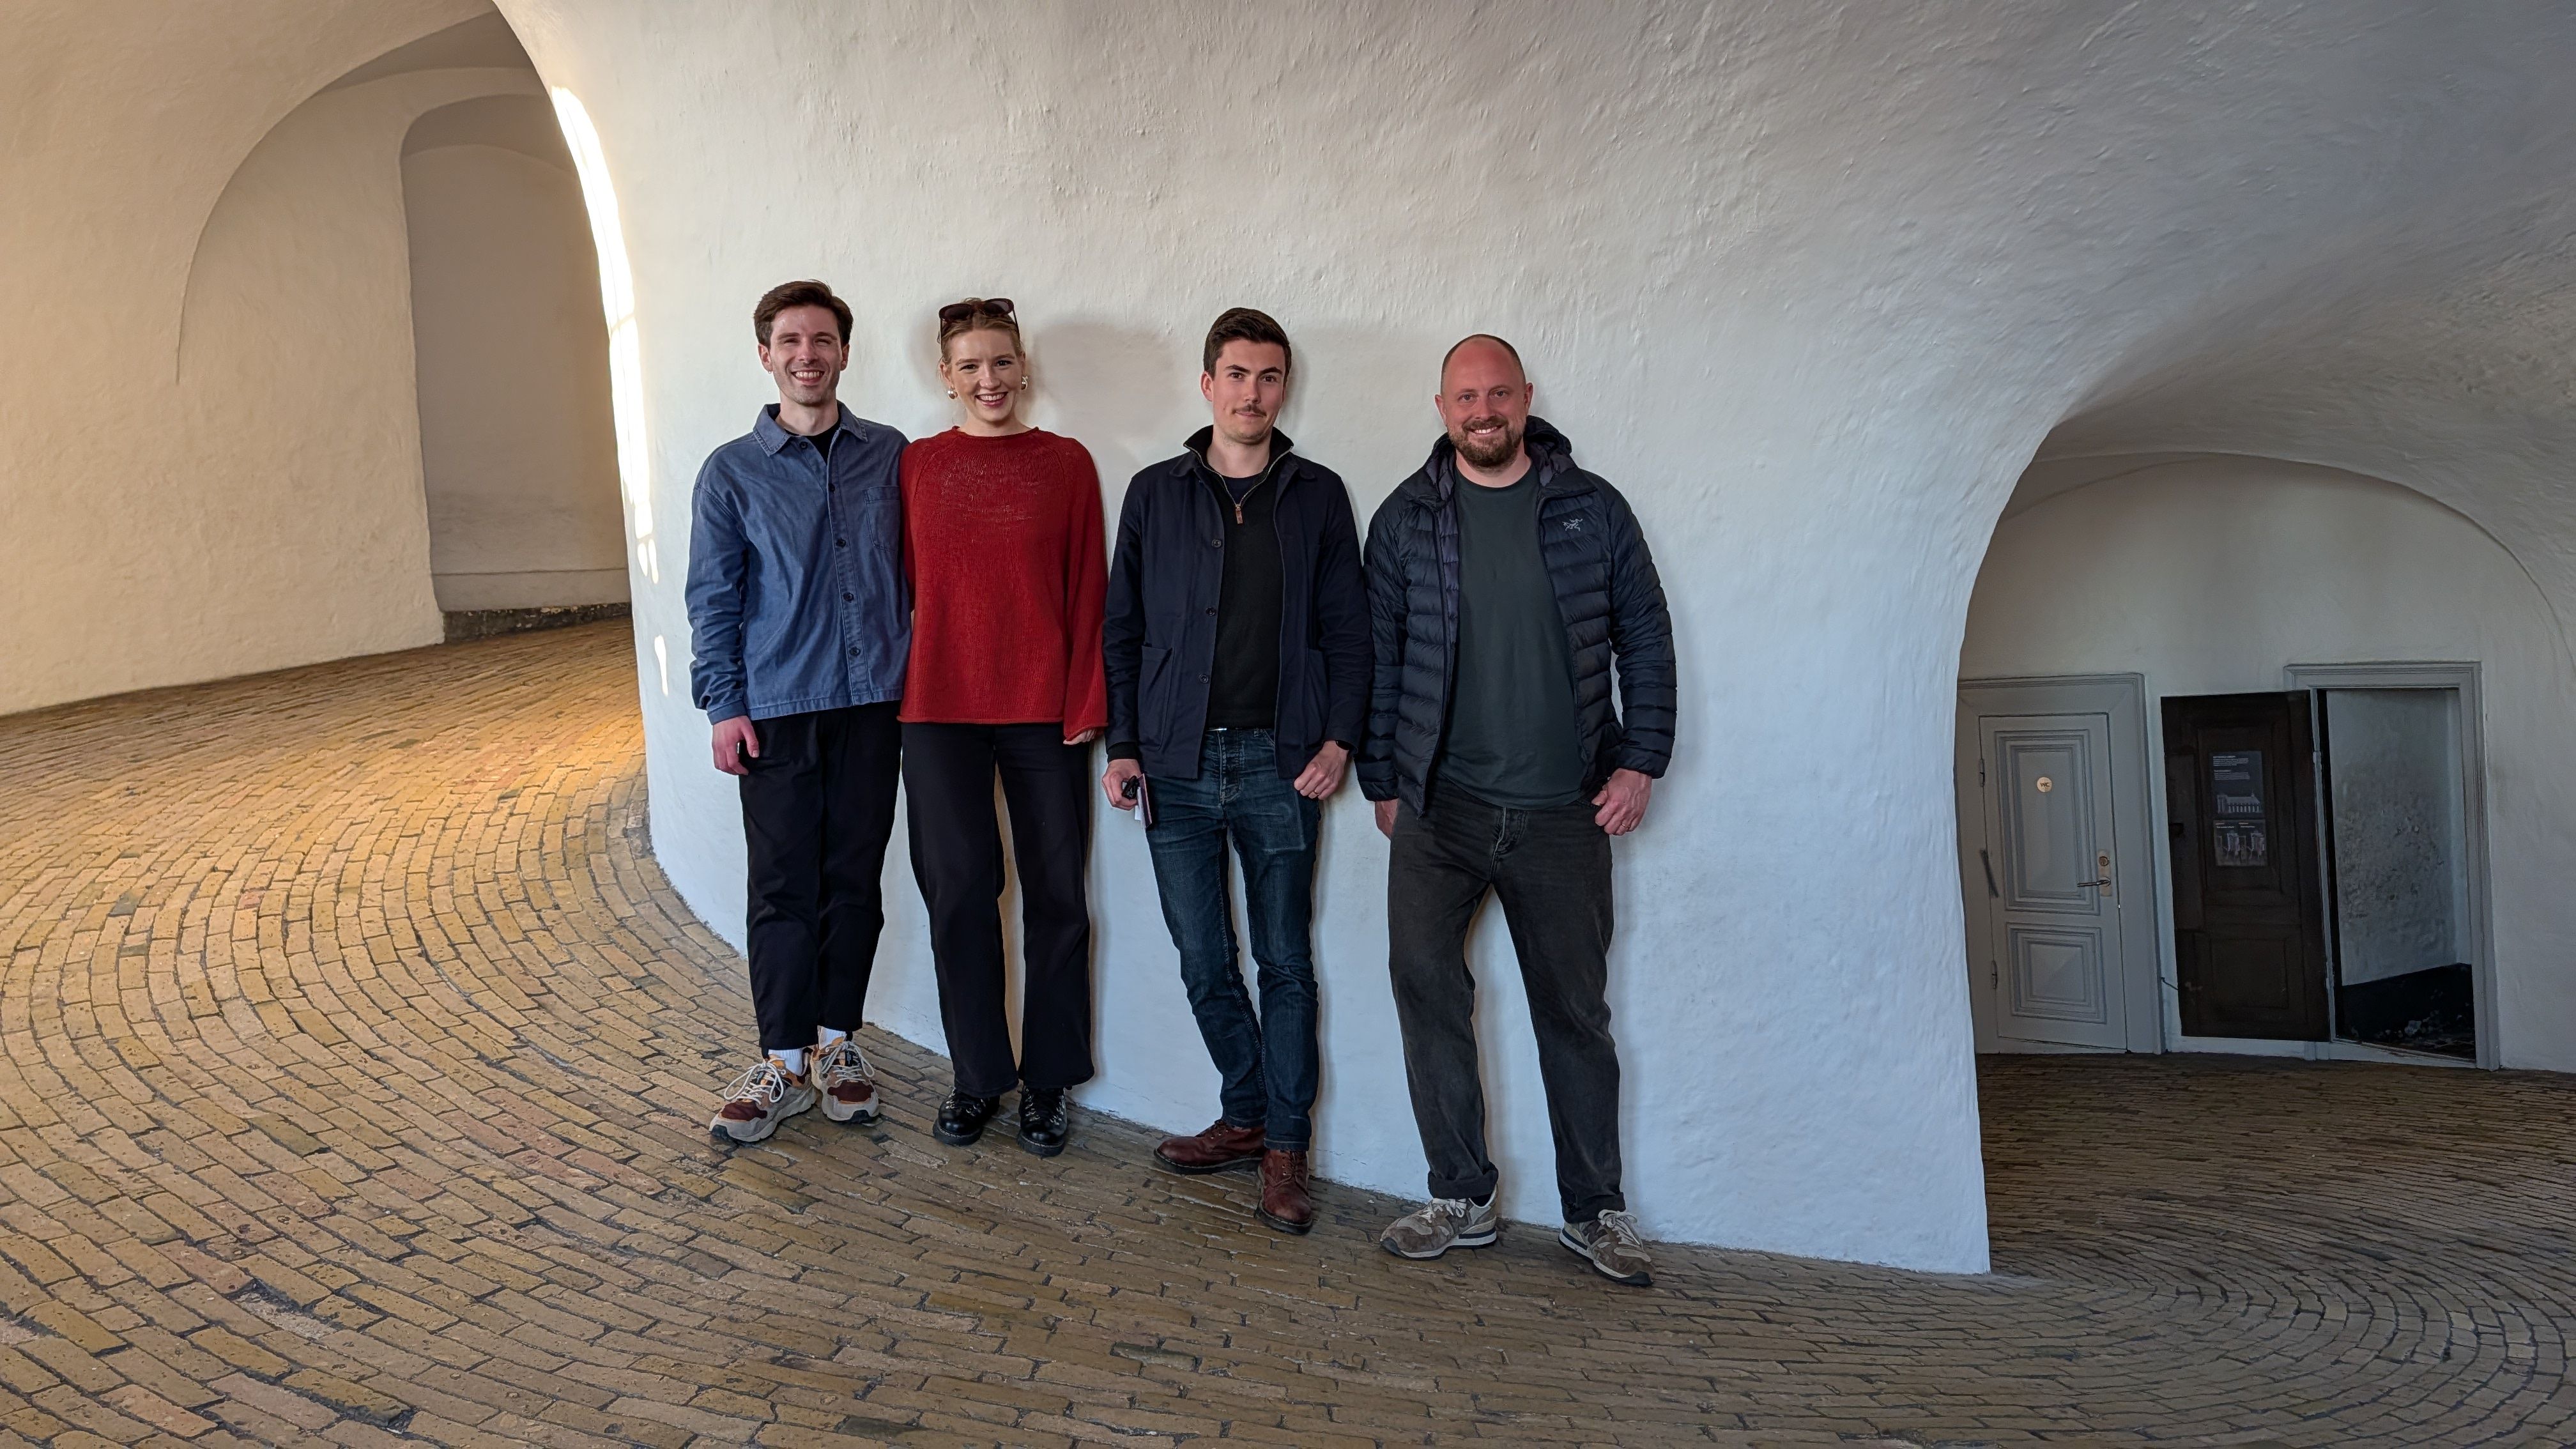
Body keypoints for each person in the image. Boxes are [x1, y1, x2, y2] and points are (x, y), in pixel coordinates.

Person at [1358, 334, 1676, 1286]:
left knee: (1574, 1014)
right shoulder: (1407, 517)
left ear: (1526, 398)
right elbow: (1380, 656)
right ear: (1442, 407)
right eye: (1466, 397)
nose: (1483, 411)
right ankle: (1461, 1197)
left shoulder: (1592, 508)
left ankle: (1595, 1211)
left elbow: (1646, 638)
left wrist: (1642, 763)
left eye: (1498, 393)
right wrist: (1385, 779)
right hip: (1440, 810)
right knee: (1426, 993)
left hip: (1563, 813)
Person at [1100, 309, 1369, 1234]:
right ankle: (1246, 1113)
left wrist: (1339, 741)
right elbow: (1123, 630)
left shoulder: (1318, 495)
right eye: (1238, 375)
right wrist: (1123, 743)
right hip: (1173, 765)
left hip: (1282, 765)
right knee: (1203, 960)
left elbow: (1349, 632)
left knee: (1284, 961)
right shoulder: (1155, 493)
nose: (1253, 393)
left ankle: (1286, 1147)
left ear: (1284, 388)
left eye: (1270, 376)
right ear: (1208, 384)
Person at [686, 279, 907, 1144]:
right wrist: (723, 705)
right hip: (776, 708)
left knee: (855, 881)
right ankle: (782, 1060)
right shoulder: (730, 472)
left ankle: (837, 1045)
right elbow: (714, 598)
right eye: (790, 341)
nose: (806, 355)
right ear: (766, 356)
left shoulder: (890, 455)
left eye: (821, 340)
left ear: (844, 352)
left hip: (875, 702)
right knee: (782, 887)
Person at [899, 298, 1108, 1156]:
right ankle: (978, 1074)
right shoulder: (916, 465)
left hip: (1043, 712)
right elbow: (896, 585)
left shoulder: (1066, 463)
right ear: (946, 377)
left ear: (1023, 368)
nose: (989, 379)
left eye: (1002, 362)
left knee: (1058, 898)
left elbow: (1089, 590)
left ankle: (1048, 1081)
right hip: (936, 710)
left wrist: (1087, 703)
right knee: (957, 896)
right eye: (970, 366)